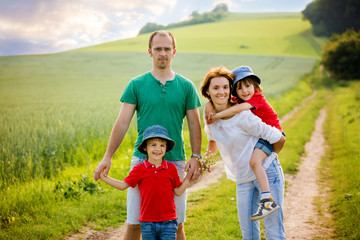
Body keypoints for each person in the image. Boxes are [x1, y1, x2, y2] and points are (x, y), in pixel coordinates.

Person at [93, 30, 202, 240]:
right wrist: (107, 157)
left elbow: (194, 124)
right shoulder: (136, 84)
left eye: (167, 48)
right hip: (142, 161)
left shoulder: (186, 86)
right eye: (158, 48)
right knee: (134, 224)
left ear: (174, 52)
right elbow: (122, 122)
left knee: (177, 224)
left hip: (176, 160)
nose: (163, 53)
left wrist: (195, 156)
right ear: (149, 52)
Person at [200, 66, 286, 239]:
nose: (221, 92)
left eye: (225, 87)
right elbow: (212, 139)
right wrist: (207, 161)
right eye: (215, 88)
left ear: (230, 90)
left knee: (273, 232)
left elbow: (278, 137)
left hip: (267, 172)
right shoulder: (209, 114)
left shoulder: (243, 115)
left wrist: (272, 157)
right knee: (248, 233)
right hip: (242, 179)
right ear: (207, 92)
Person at [100, 125, 191, 240]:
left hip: (169, 222)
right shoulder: (139, 169)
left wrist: (189, 177)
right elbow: (123, 185)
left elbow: (178, 191)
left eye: (162, 145)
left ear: (166, 148)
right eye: (153, 145)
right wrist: (104, 178)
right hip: (147, 223)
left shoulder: (171, 168)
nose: (158, 149)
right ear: (145, 148)